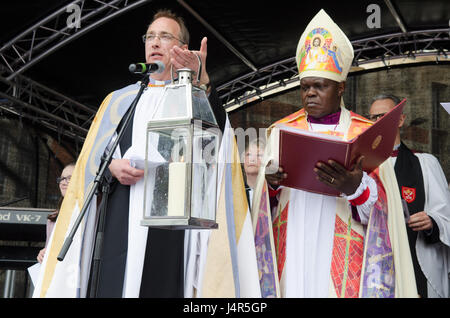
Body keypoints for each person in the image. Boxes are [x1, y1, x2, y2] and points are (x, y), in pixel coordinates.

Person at [32, 9, 256, 298]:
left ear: (181, 48)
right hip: (119, 215)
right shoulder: (118, 101)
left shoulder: (193, 97)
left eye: (165, 36)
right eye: (150, 36)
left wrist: (204, 83)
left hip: (168, 226)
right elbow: (91, 161)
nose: (155, 42)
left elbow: (218, 143)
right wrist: (111, 166)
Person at [250, 9, 416, 298]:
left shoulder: (366, 135)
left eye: (319, 86)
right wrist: (272, 185)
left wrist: (355, 189)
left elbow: (384, 218)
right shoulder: (281, 131)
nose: (309, 94)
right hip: (292, 251)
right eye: (304, 87)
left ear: (340, 88)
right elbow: (263, 212)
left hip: (345, 256)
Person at [369, 94, 450, 298]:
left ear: (401, 120)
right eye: (372, 118)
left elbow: (446, 216)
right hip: (374, 265)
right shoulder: (362, 167)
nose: (377, 122)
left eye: (383, 116)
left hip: (416, 261)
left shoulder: (425, 163)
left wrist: (432, 221)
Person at [36, 163, 75, 263]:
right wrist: (42, 254)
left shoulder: (90, 212)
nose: (63, 183)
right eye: (62, 179)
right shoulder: (53, 218)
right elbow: (48, 248)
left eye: (69, 178)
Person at [242, 138, 265, 209]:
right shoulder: (234, 193)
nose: (252, 159)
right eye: (249, 154)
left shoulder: (273, 195)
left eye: (259, 155)